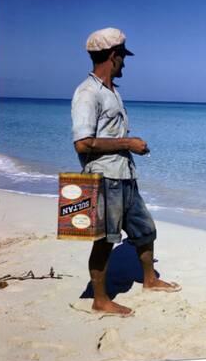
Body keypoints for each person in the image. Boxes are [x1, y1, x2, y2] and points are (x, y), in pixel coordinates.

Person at [71, 27, 181, 318]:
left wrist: (129, 148)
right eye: (122, 57)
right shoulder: (87, 93)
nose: (125, 63)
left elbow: (106, 136)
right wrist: (127, 143)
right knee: (105, 240)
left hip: (125, 177)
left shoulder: (111, 92)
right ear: (113, 55)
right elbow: (82, 144)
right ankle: (100, 300)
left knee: (146, 230)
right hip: (105, 179)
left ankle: (149, 280)